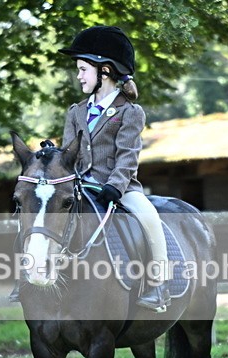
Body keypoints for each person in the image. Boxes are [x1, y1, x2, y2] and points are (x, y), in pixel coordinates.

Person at [58, 25, 171, 311]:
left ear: (104, 71)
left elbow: (128, 156)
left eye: (83, 69)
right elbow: (69, 155)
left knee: (149, 217)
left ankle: (158, 285)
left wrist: (115, 186)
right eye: (79, 69)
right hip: (81, 188)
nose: (79, 75)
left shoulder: (129, 112)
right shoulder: (76, 112)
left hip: (117, 190)